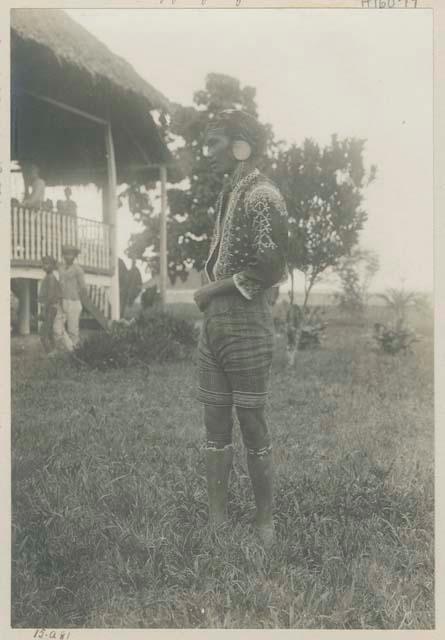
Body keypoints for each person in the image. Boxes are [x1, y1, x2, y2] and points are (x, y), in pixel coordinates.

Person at [194, 109, 288, 548]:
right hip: (215, 322)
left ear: (240, 146)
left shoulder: (262, 195)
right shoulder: (229, 194)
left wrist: (212, 291)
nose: (206, 152)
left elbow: (270, 268)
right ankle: (216, 521)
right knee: (214, 417)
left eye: (213, 143)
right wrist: (211, 295)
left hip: (246, 322)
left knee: (250, 420)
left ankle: (265, 523)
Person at [58, 244, 88, 349]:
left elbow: (83, 287)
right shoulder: (60, 268)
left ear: (75, 256)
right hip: (62, 301)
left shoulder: (78, 270)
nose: (68, 256)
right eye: (66, 254)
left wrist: (81, 299)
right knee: (57, 327)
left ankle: (75, 352)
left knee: (73, 330)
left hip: (74, 302)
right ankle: (70, 348)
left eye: (70, 254)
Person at [38, 256, 69, 355]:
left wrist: (44, 311)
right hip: (50, 307)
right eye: (43, 264)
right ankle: (54, 354)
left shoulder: (51, 278)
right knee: (49, 332)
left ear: (53, 266)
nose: (44, 266)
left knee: (43, 333)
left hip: (51, 307)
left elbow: (50, 296)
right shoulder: (47, 277)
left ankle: (51, 354)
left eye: (47, 264)